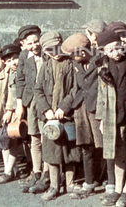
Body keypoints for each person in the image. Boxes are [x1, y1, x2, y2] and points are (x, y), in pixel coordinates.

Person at [95, 29, 126, 207]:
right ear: (104, 52)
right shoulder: (103, 68)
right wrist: (100, 119)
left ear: (123, 45)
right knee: (118, 152)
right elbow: (101, 95)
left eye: (117, 48)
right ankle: (118, 189)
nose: (115, 53)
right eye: (110, 50)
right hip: (113, 116)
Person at [35, 31, 81, 201]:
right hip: (49, 119)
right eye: (49, 50)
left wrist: (64, 107)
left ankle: (70, 184)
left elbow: (75, 89)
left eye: (56, 48)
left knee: (69, 152)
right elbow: (38, 90)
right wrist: (46, 109)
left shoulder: (70, 64)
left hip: (66, 116)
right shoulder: (45, 66)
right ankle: (54, 186)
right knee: (52, 152)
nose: (54, 53)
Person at [60, 33, 103, 199]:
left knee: (102, 146)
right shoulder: (75, 63)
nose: (70, 57)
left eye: (73, 54)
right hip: (81, 110)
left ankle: (104, 179)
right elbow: (75, 89)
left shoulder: (99, 61)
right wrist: (64, 106)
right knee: (85, 146)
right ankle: (89, 182)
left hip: (97, 110)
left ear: (83, 52)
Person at [15, 25, 50, 192]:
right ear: (23, 44)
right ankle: (36, 172)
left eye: (36, 41)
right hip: (30, 102)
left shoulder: (47, 54)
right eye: (30, 44)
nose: (34, 46)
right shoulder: (23, 56)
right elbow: (20, 80)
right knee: (34, 137)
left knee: (46, 137)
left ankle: (47, 174)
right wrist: (19, 104)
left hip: (45, 102)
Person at [0, 44, 22, 184]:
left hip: (23, 109)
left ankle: (11, 171)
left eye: (15, 58)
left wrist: (14, 109)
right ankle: (8, 170)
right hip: (14, 110)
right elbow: (10, 94)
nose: (12, 63)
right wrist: (9, 110)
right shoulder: (11, 73)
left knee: (19, 141)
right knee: (7, 138)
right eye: (8, 61)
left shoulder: (22, 70)